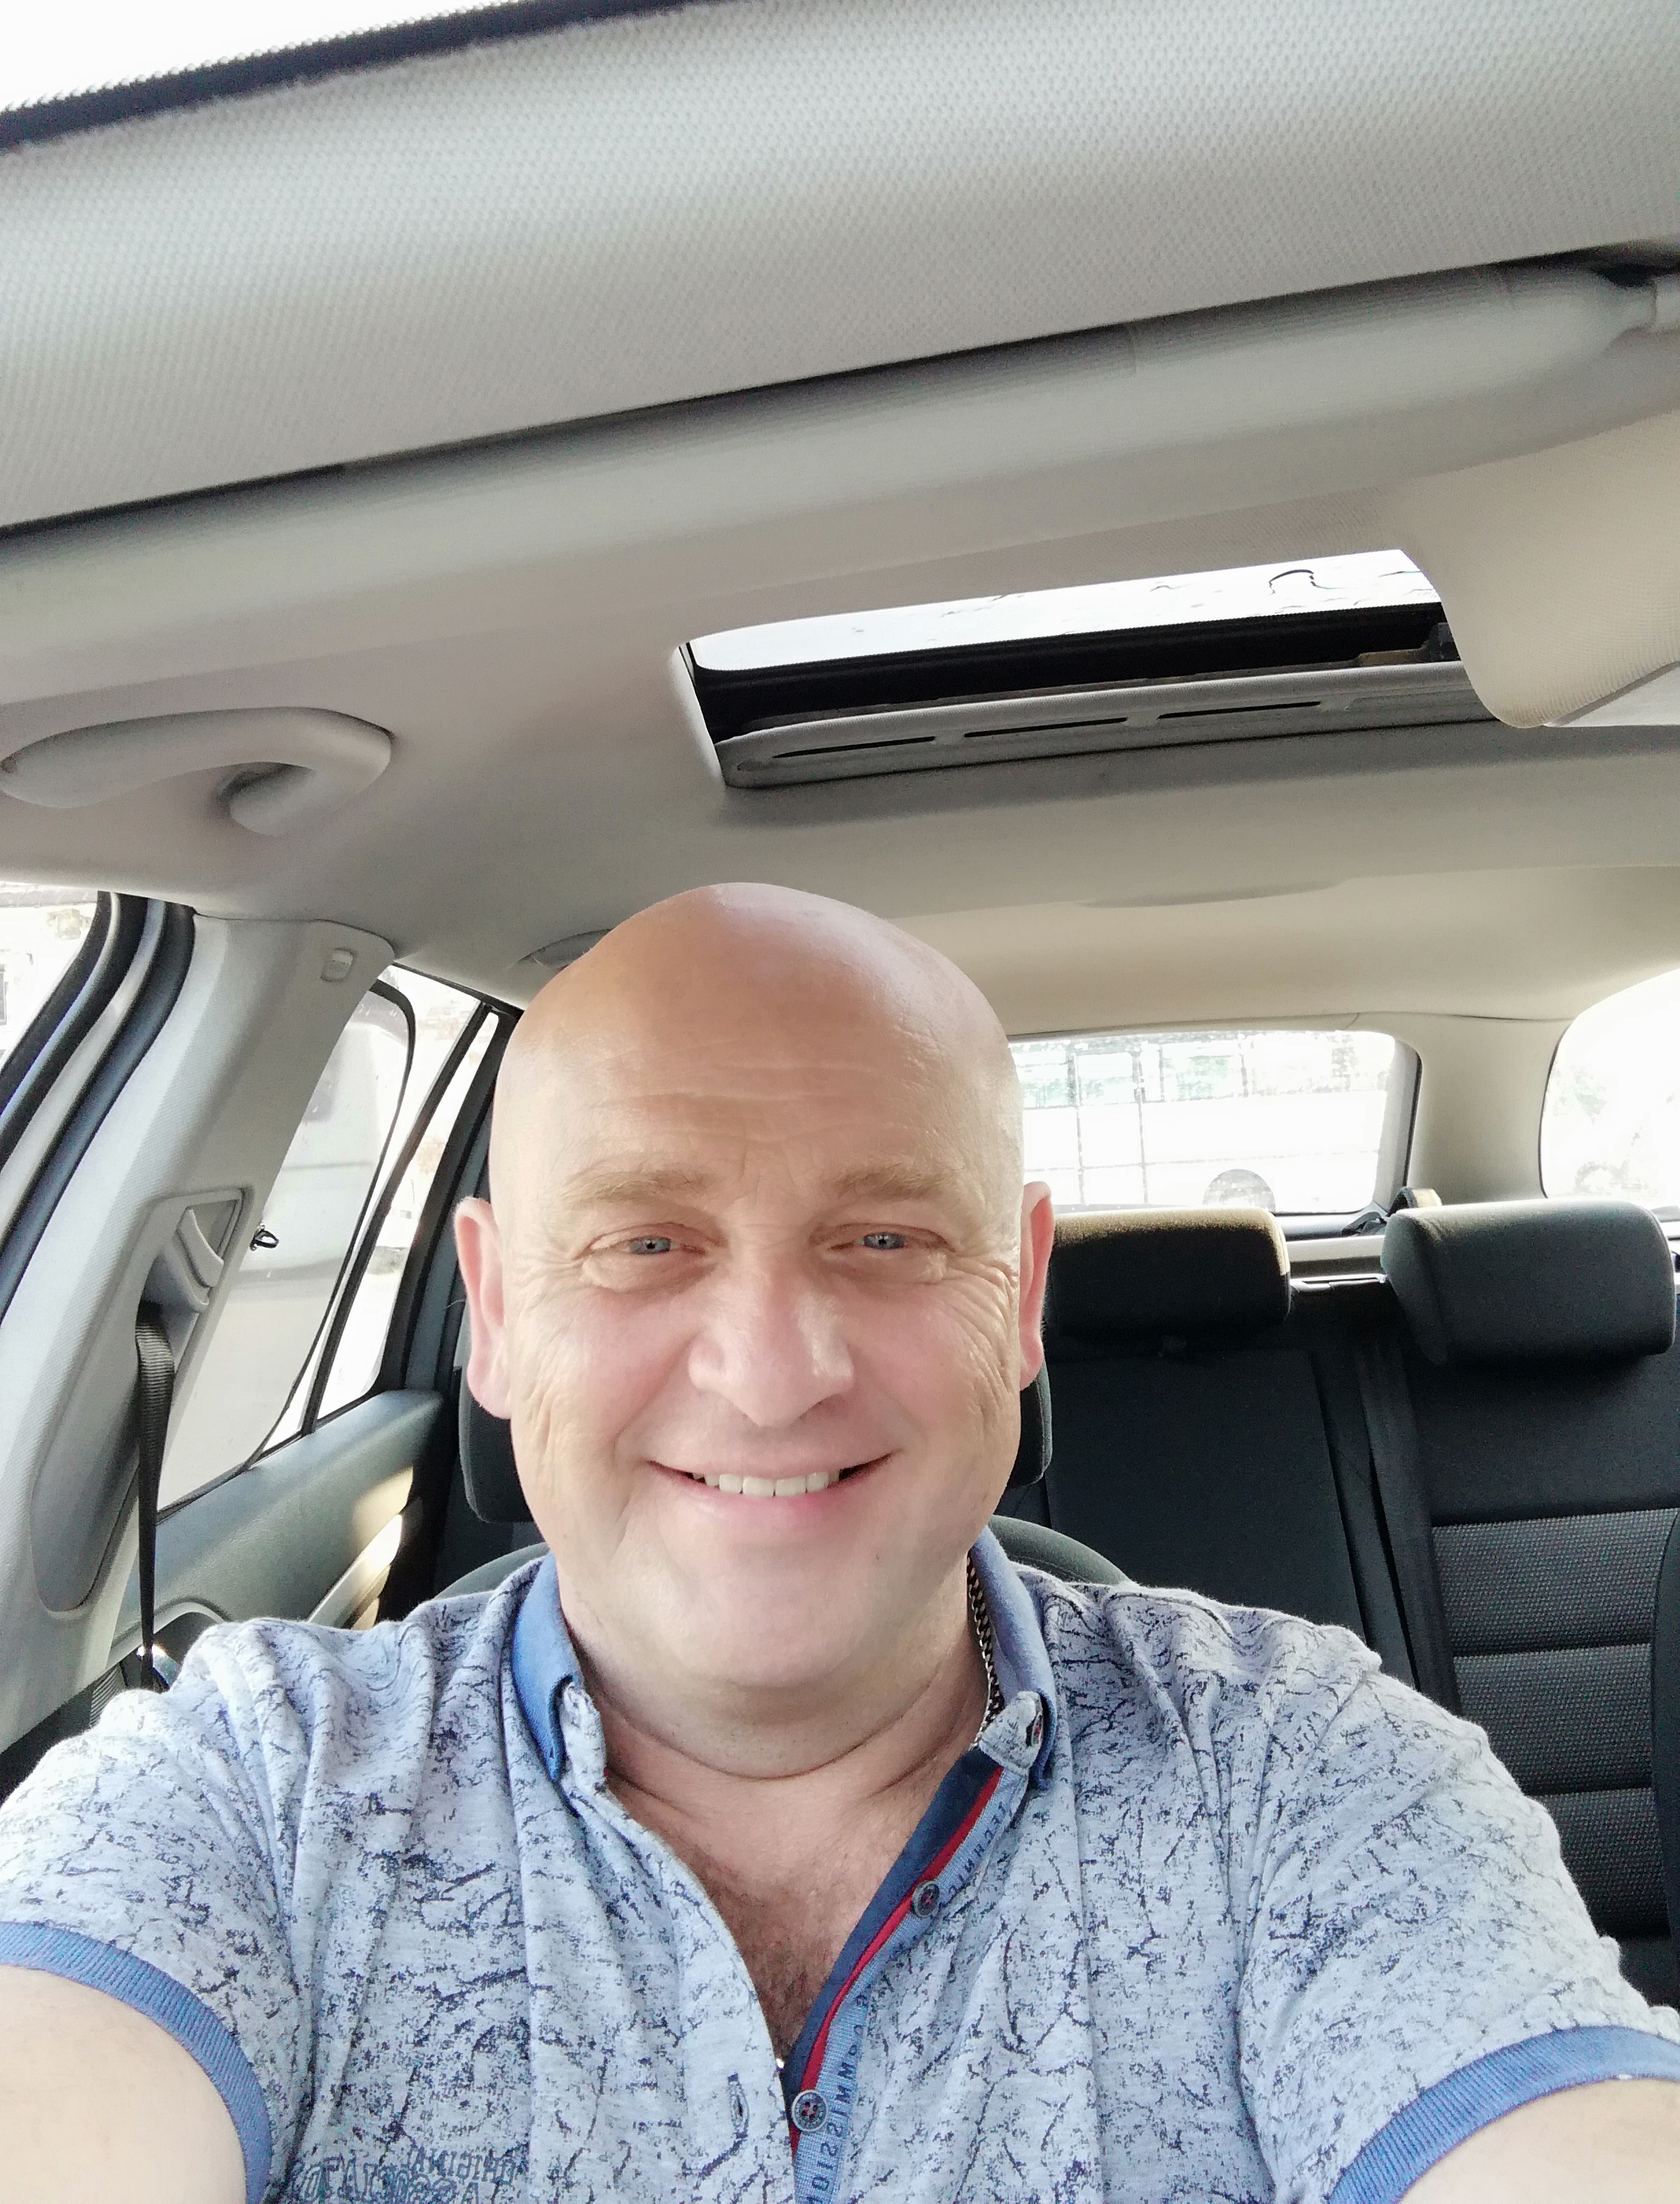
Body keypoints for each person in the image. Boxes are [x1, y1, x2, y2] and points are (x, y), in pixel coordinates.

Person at [0, 882, 1677, 2204]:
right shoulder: (249, 1789)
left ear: (1019, 1297)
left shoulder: (1310, 1772)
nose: (773, 1371)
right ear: (495, 1313)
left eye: (885, 1238)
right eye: (647, 1242)